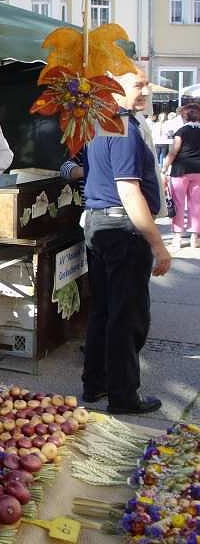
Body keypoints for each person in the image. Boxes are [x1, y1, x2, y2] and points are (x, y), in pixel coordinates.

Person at [82, 65, 170, 415]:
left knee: (104, 311)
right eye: (139, 84)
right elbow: (128, 190)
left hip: (100, 225)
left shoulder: (98, 123)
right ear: (114, 86)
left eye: (146, 84)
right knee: (126, 316)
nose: (145, 91)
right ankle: (123, 395)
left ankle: (96, 383)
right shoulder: (122, 128)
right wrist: (158, 243)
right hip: (121, 230)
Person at [163, 103, 200, 249]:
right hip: (199, 171)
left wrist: (164, 167)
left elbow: (174, 151)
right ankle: (194, 237)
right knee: (196, 205)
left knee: (178, 203)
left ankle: (177, 237)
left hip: (180, 171)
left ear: (184, 116)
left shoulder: (181, 131)